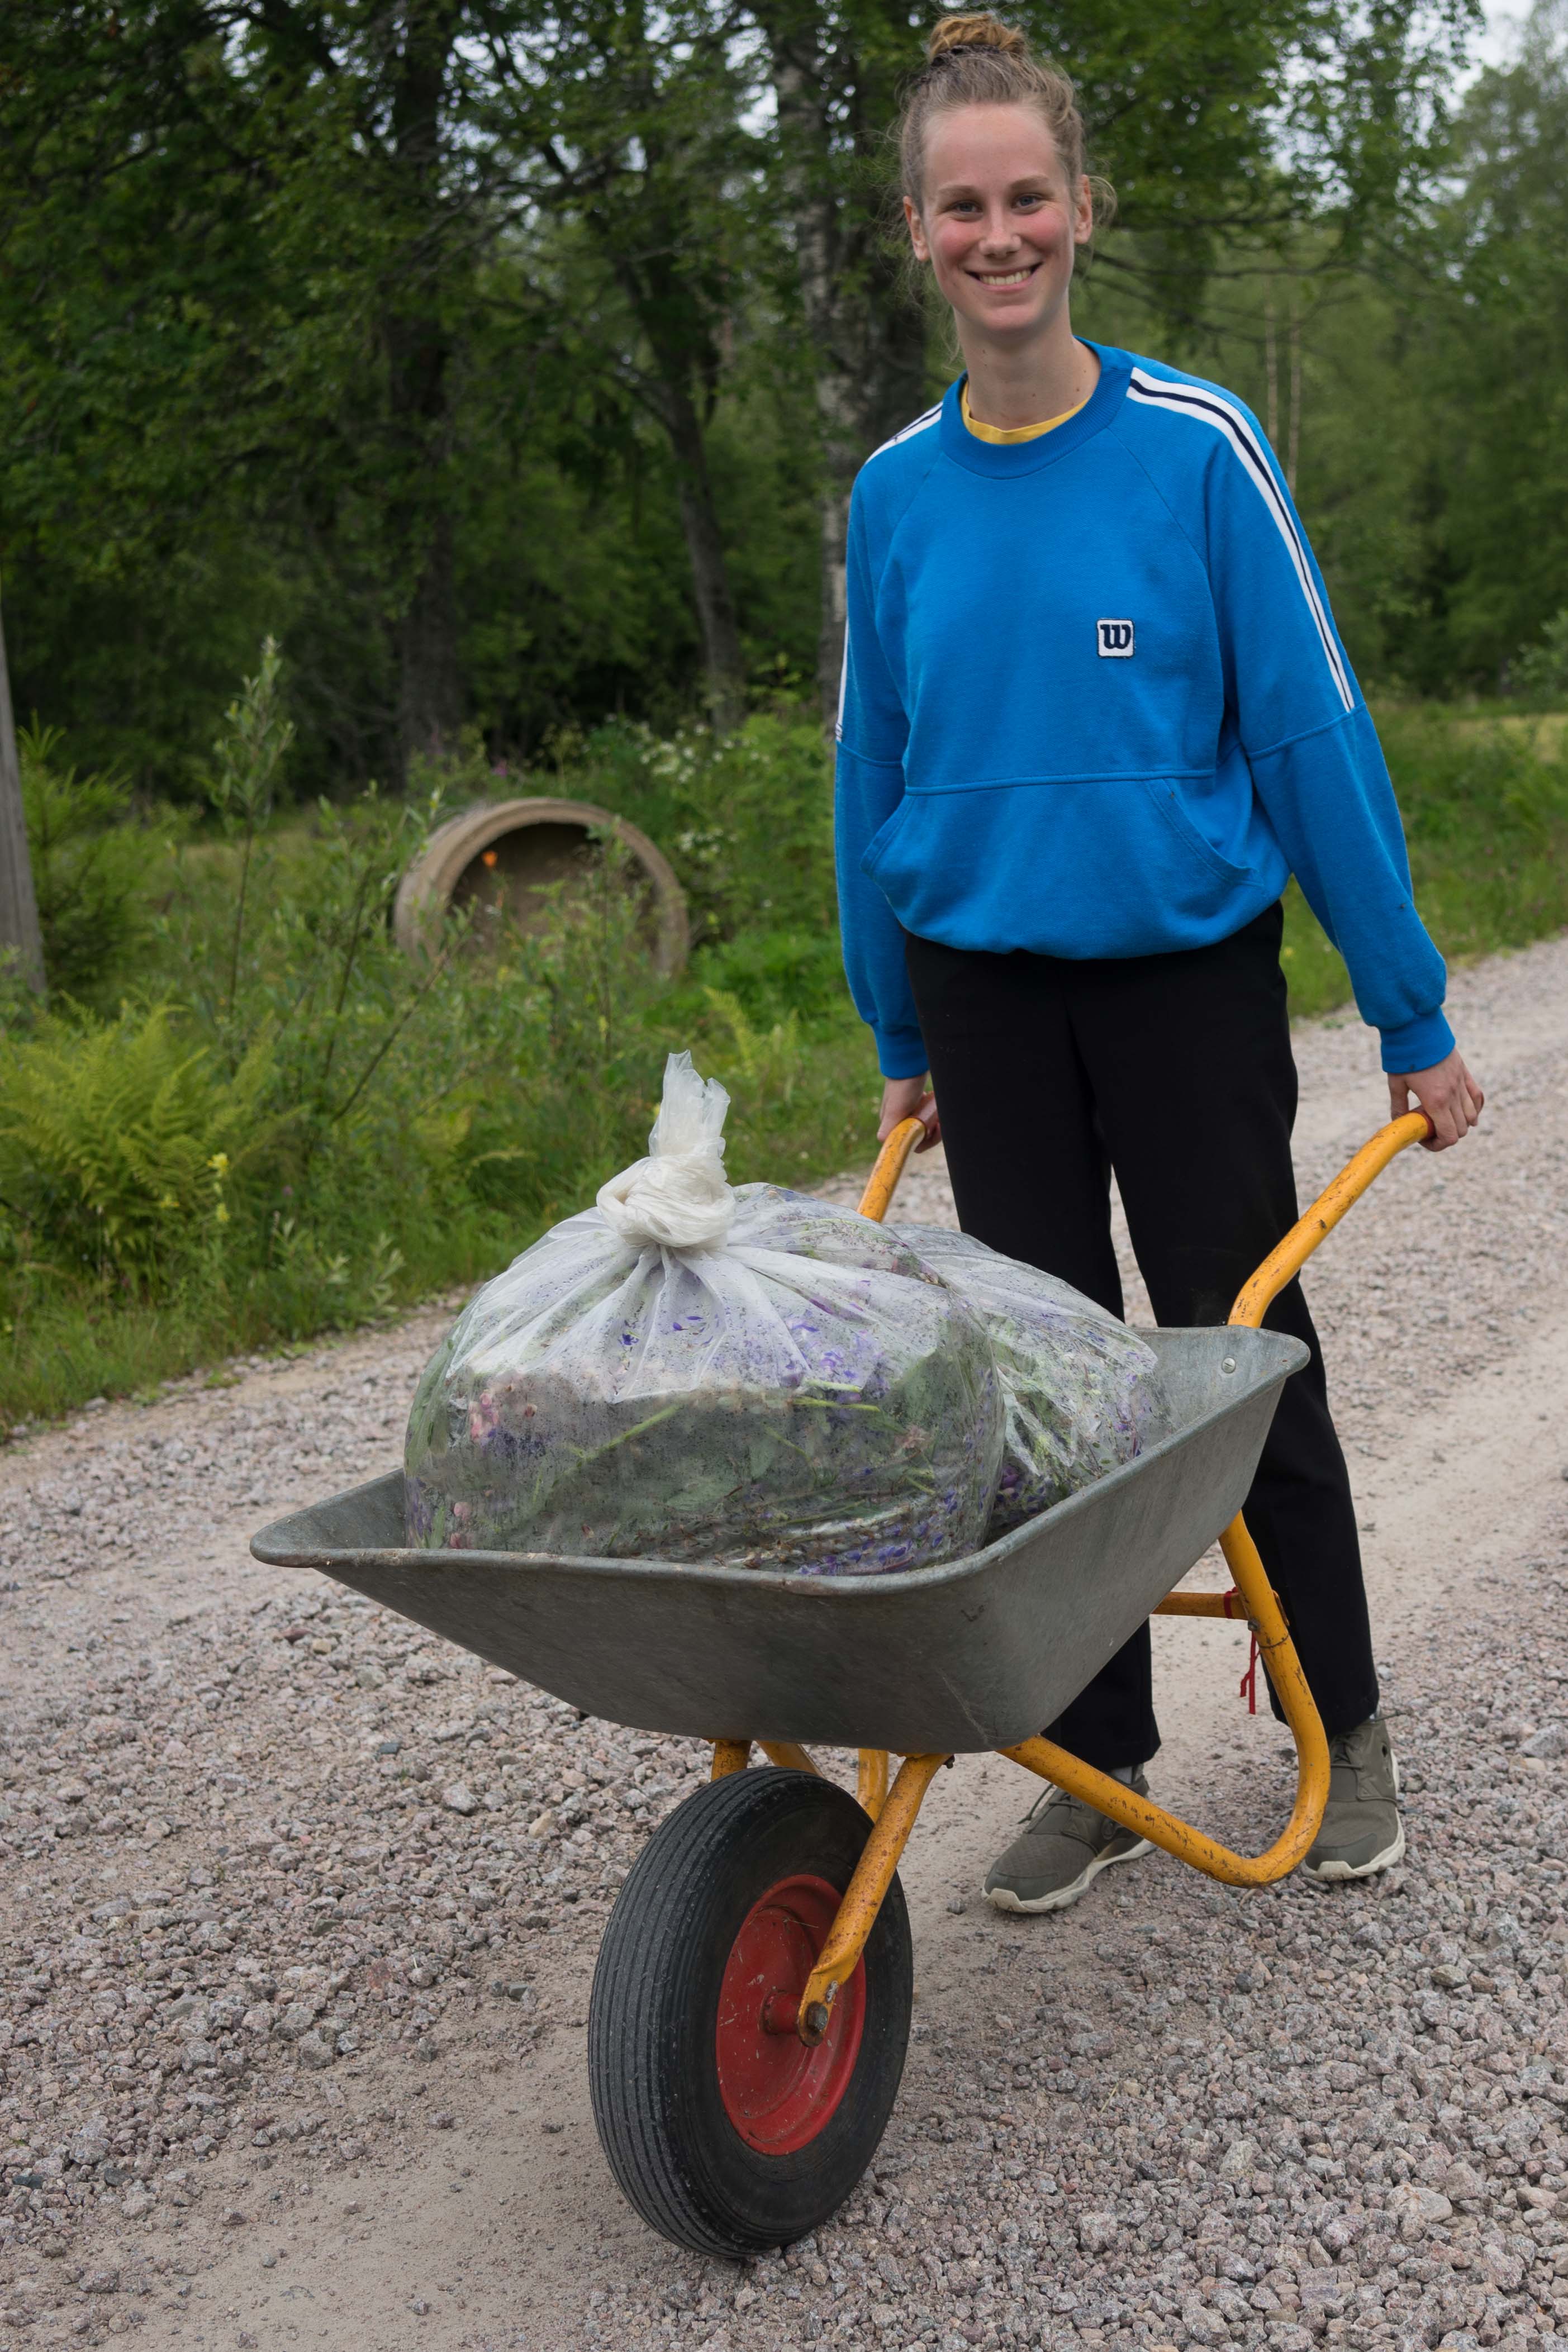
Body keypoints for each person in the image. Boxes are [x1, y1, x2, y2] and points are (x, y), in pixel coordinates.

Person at [834, 11, 1485, 1915]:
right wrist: (896, 1026)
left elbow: (1311, 736)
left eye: (1028, 194)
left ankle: (1336, 1721)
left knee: (1232, 1349)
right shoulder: (895, 492)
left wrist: (1413, 1004)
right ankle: (1098, 1757)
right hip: (982, 992)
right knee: (1044, 1395)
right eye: (963, 205)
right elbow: (874, 767)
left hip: (1185, 983)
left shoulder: (1195, 447)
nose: (999, 232)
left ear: (1082, 209)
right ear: (917, 229)